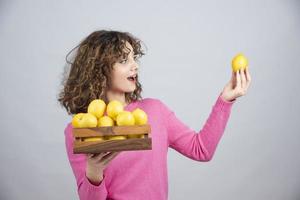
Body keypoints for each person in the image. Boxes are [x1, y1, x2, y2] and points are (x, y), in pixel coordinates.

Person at [58, 30, 251, 200]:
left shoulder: (154, 111)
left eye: (134, 58)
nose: (135, 66)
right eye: (124, 60)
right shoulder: (80, 129)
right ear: (99, 69)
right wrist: (94, 171)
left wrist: (225, 100)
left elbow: (201, 150)